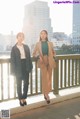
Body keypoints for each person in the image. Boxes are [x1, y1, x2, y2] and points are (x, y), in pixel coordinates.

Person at [33, 30, 56, 104]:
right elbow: (33, 53)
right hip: (42, 61)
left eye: (44, 34)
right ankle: (46, 94)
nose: (43, 35)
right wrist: (38, 56)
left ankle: (47, 93)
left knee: (49, 78)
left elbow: (53, 52)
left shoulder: (50, 43)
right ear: (40, 35)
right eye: (41, 34)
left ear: (46, 35)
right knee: (44, 78)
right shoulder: (37, 44)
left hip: (50, 61)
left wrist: (53, 56)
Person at [11, 32, 33, 106]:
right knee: (19, 84)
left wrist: (30, 67)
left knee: (26, 83)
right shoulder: (14, 48)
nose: (21, 37)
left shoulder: (26, 47)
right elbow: (12, 60)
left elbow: (29, 58)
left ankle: (24, 98)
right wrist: (13, 71)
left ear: (23, 38)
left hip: (26, 66)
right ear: (17, 38)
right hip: (18, 67)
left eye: (22, 36)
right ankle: (20, 99)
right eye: (19, 36)